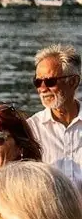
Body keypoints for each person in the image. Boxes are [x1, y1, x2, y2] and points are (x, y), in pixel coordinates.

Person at [28, 44, 82, 186]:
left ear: (73, 82)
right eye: (38, 82)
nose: (43, 89)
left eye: (50, 82)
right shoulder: (31, 129)